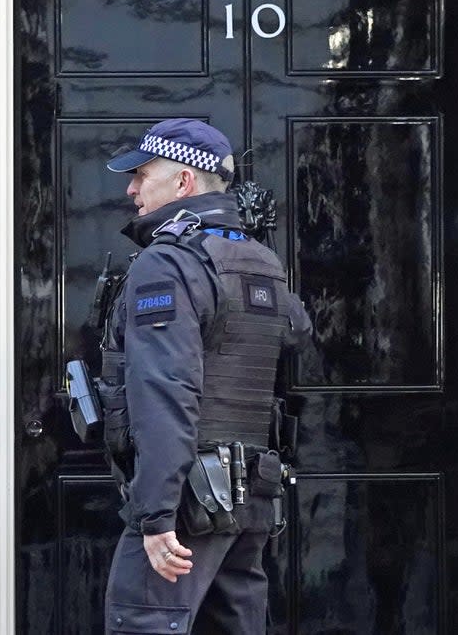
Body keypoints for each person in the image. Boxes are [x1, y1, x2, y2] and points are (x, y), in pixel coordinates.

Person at [98, 118, 311, 634]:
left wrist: (157, 515)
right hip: (250, 501)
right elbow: (296, 331)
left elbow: (165, 393)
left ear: (183, 183)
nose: (131, 190)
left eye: (142, 176)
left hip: (190, 505)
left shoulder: (166, 264)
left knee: (143, 623)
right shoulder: (262, 263)